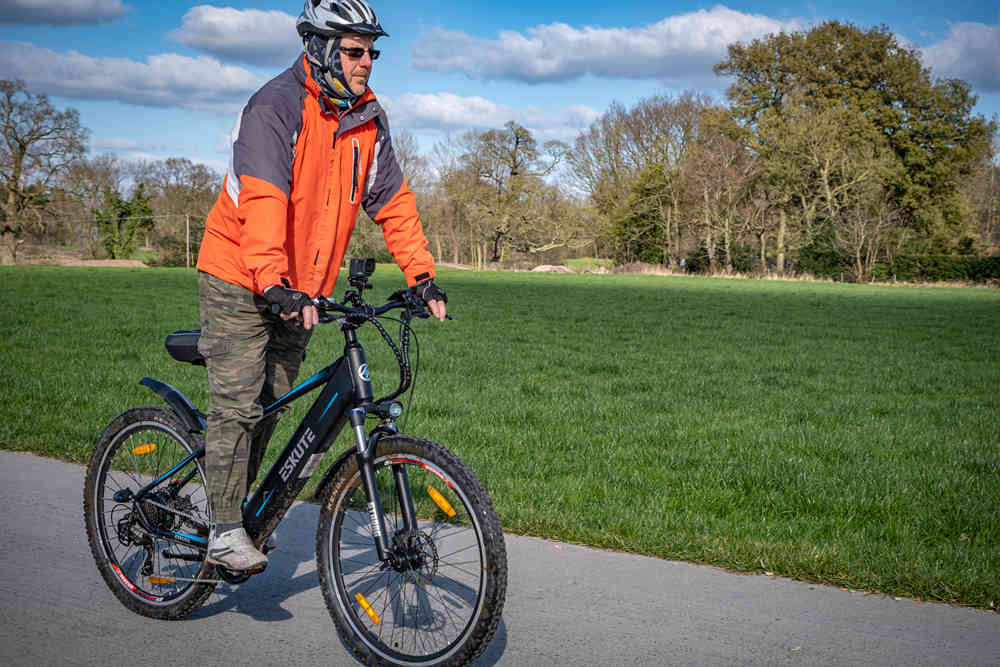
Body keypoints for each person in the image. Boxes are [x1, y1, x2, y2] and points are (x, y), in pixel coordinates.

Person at [195, 0, 447, 572]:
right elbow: (263, 201)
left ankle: (241, 508)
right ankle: (223, 527)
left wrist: (422, 275)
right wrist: (274, 283)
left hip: (300, 286)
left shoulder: (367, 116)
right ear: (320, 48)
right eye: (354, 51)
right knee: (239, 403)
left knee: (273, 403)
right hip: (240, 275)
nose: (366, 63)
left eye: (371, 52)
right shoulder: (275, 107)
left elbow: (394, 202)